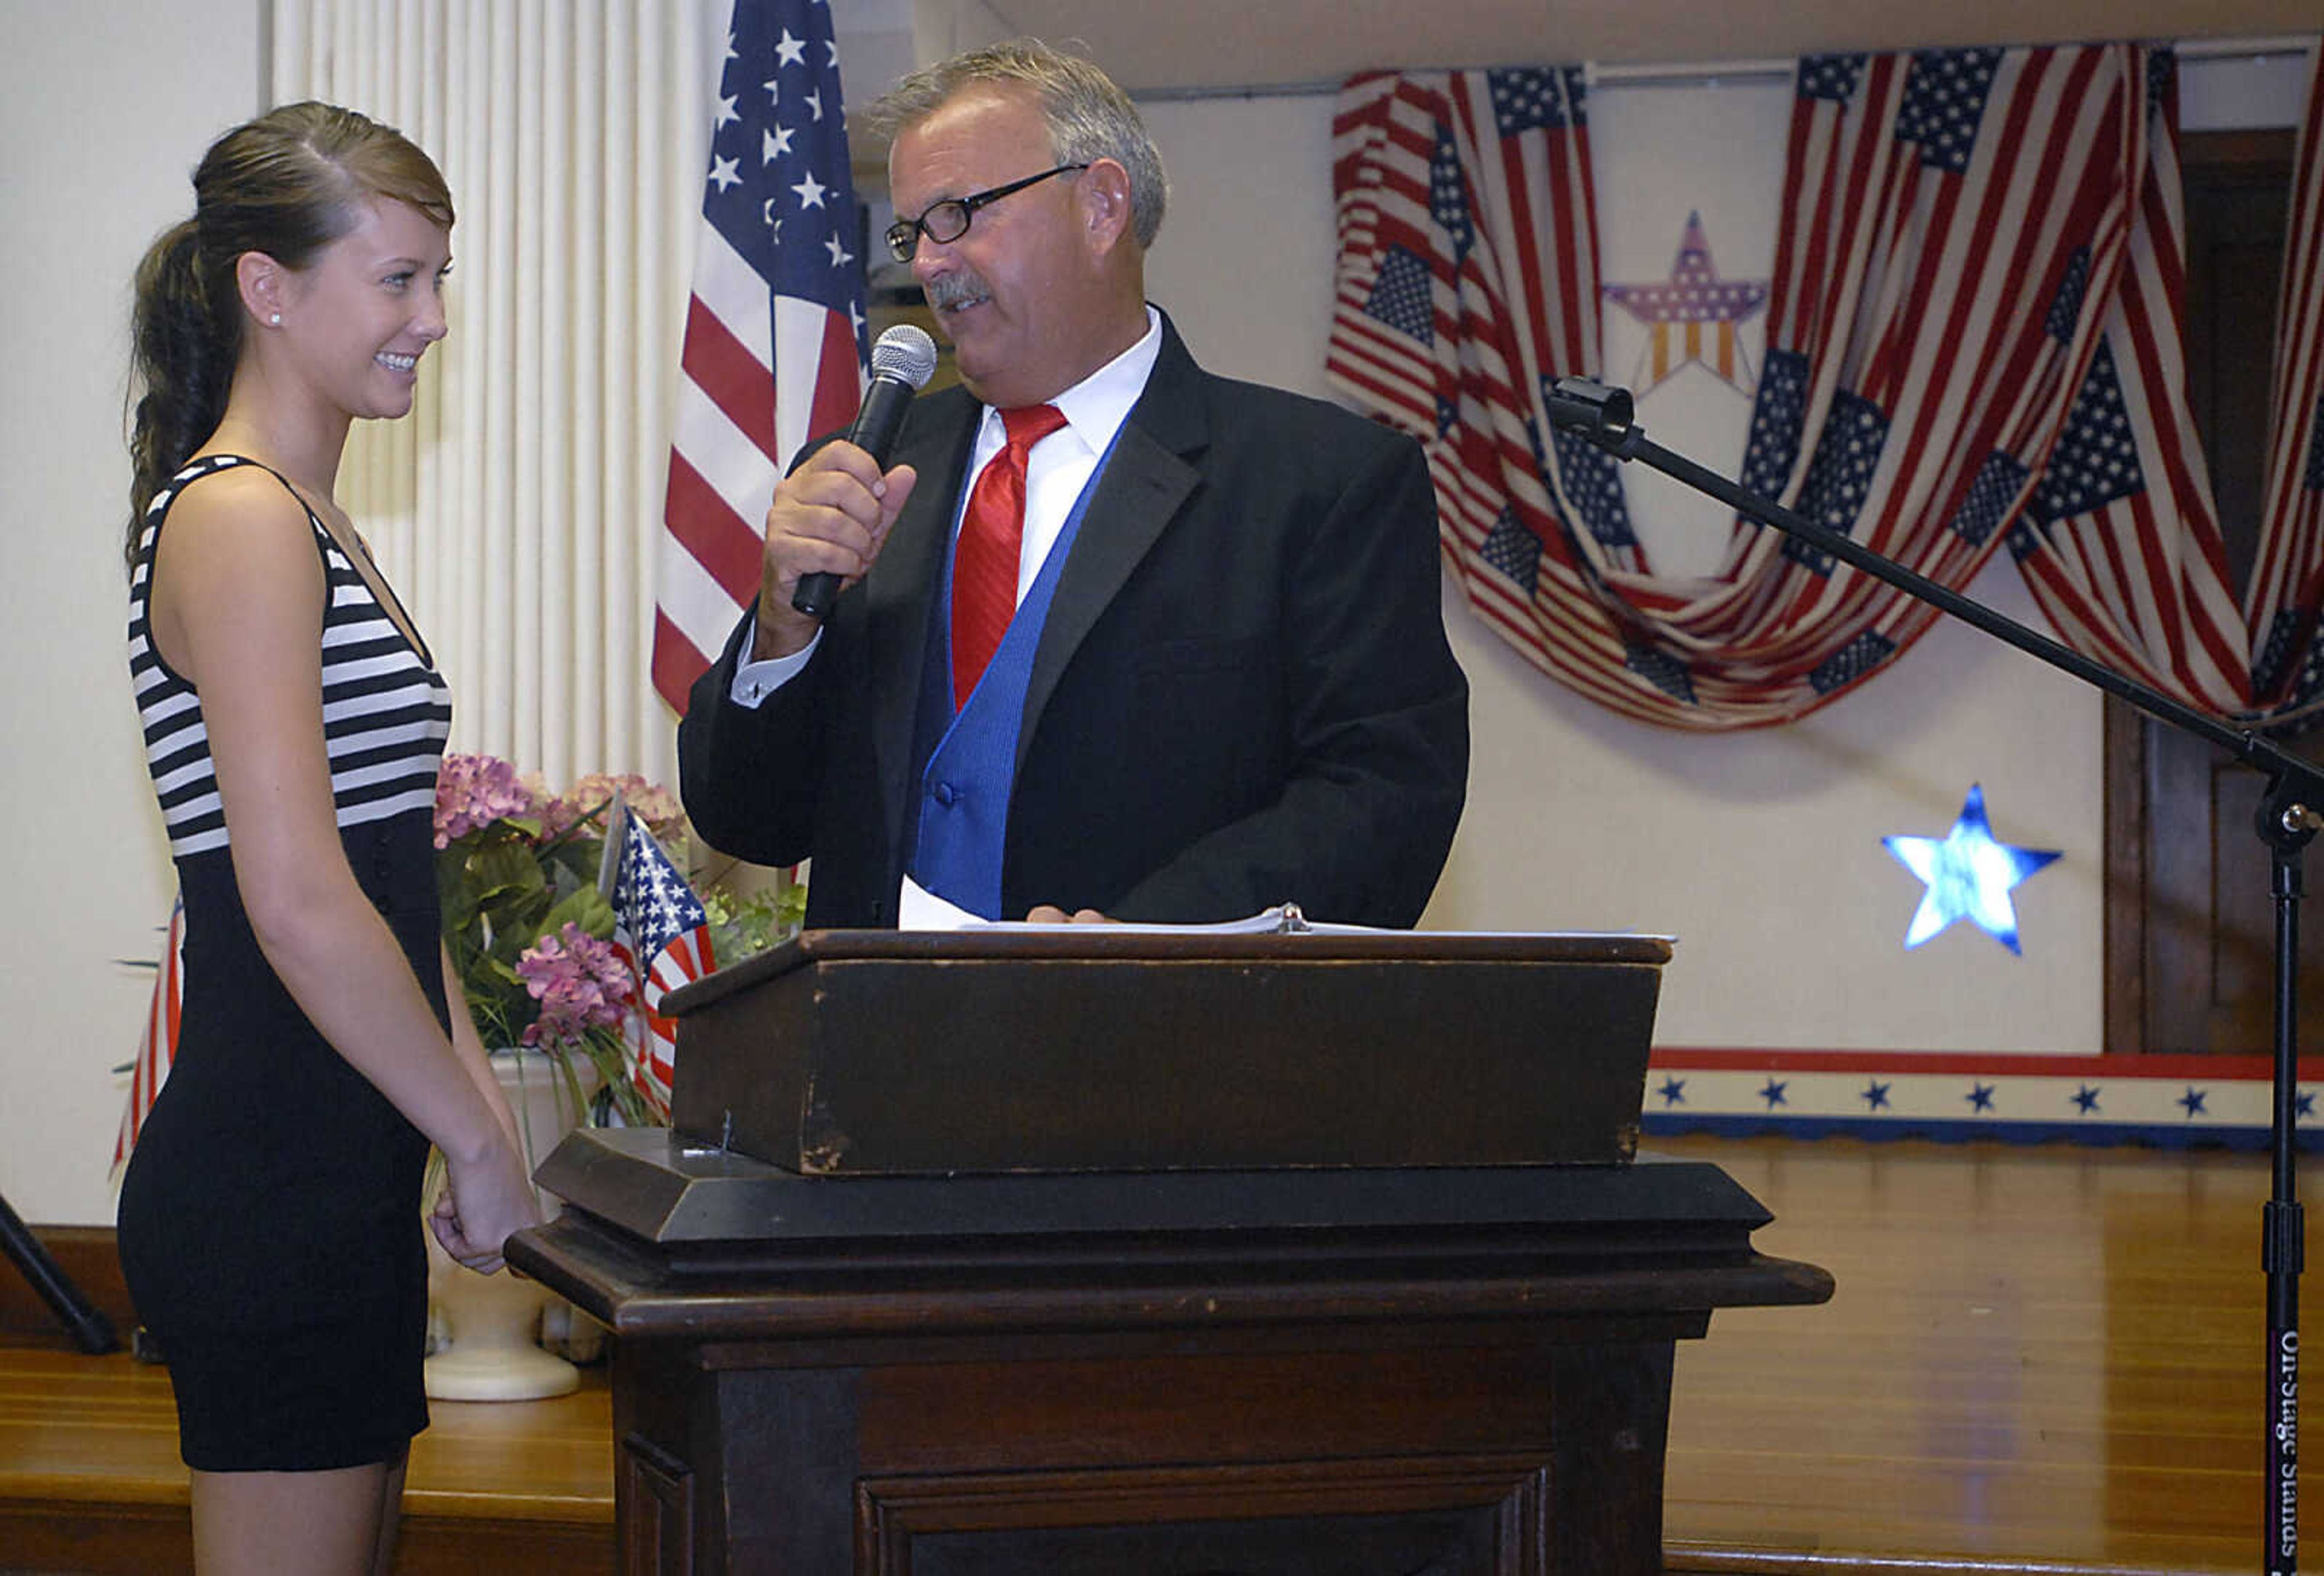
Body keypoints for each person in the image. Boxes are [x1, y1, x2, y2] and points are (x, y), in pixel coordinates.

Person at [678, 40, 1468, 929]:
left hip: (1168, 1047)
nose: (928, 263)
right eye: (912, 232)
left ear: (1101, 206)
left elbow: (1384, 795)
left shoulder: (1322, 482)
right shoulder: (865, 476)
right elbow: (750, 819)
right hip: (876, 1050)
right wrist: (784, 625)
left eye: (959, 214)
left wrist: (1153, 942)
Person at [116, 102, 540, 1575]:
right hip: (267, 1180)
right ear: (268, 287)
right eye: (400, 278)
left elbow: (387, 884)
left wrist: (479, 1124)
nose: (432, 316)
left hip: (336, 1178)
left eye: (440, 277)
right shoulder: (238, 518)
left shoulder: (315, 518)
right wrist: (469, 1137)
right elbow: (292, 900)